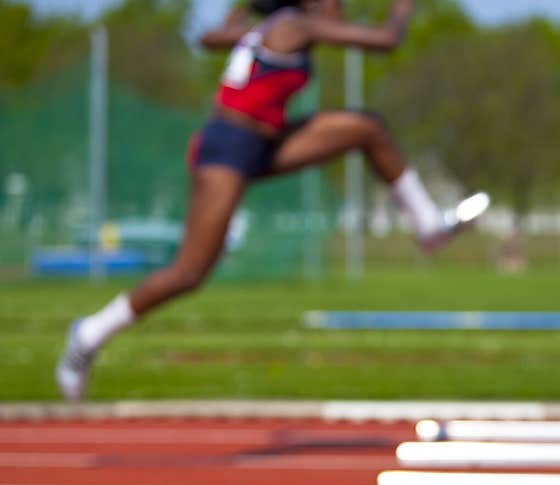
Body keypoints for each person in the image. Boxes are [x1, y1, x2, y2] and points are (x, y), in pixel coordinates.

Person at [56, 0, 490, 403]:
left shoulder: (272, 27)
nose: (339, 7)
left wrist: (243, 18)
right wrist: (400, 11)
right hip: (227, 148)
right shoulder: (293, 25)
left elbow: (209, 39)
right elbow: (385, 42)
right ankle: (90, 334)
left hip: (265, 141)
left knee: (366, 129)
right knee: (189, 272)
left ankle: (429, 227)